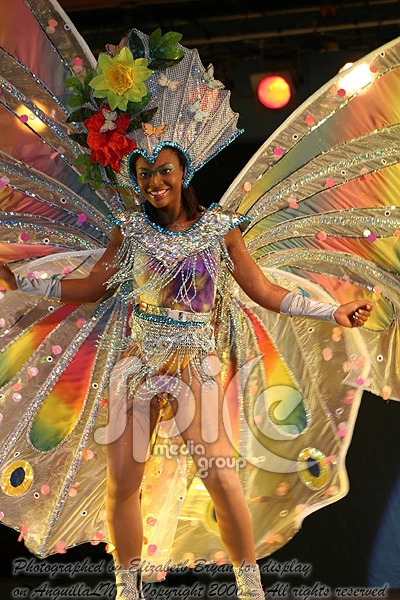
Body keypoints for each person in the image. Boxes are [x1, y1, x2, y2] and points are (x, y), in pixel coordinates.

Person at [0, 141, 373, 599]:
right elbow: (93, 287)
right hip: (136, 367)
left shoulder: (219, 230)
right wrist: (24, 282)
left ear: (184, 171)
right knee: (123, 484)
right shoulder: (130, 232)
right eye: (144, 174)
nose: (155, 182)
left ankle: (250, 588)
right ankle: (127, 589)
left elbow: (264, 292)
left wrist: (332, 312)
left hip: (194, 365)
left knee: (220, 477)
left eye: (164, 171)